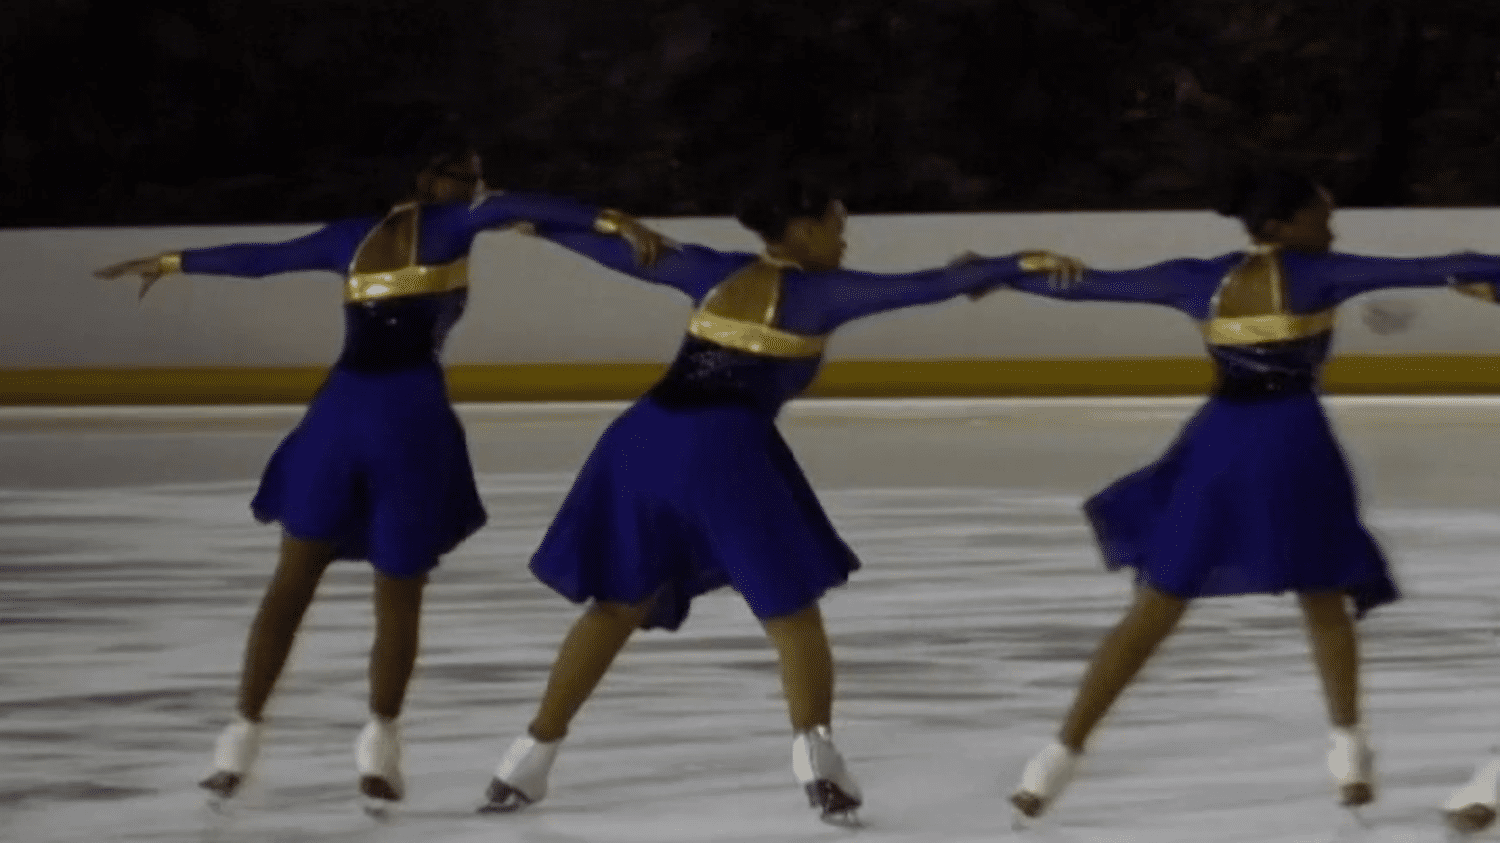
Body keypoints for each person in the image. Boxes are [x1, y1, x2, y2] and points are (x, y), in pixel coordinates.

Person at [470, 173, 1083, 825]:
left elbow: (585, 240)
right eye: (836, 226)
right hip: (723, 450)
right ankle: (817, 762)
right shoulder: (822, 293)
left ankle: (523, 762)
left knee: (617, 605)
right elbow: (924, 287)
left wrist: (579, 222)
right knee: (791, 613)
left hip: (640, 442)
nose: (844, 239)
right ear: (802, 229)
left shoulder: (710, 270)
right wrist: (1018, 263)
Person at [94, 125, 660, 809]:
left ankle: (238, 742)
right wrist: (617, 220)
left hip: (338, 417)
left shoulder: (350, 236)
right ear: (430, 179)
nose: (477, 187)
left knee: (291, 583)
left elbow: (261, 259)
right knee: (395, 591)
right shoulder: (454, 223)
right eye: (466, 175)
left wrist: (172, 261)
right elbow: (535, 206)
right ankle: (378, 744)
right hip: (408, 423)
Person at [979, 167, 1500, 823]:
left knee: (1158, 602)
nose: (1331, 227)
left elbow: (1088, 286)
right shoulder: (1318, 273)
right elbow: (1447, 264)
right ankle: (1349, 750)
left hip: (1218, 443)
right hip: (1294, 444)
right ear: (1282, 225)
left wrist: (998, 270)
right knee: (1321, 590)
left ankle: (1053, 761)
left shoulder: (1199, 277)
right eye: (1321, 215)